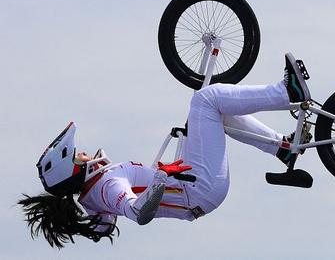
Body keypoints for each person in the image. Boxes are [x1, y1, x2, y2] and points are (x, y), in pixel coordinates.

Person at [18, 53, 312, 248]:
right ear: (73, 169)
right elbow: (138, 213)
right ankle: (287, 93)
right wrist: (160, 180)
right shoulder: (108, 187)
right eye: (77, 156)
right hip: (199, 186)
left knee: (214, 112)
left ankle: (282, 148)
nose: (84, 154)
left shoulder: (93, 195)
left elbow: (104, 225)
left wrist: (93, 223)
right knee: (205, 100)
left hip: (196, 188)